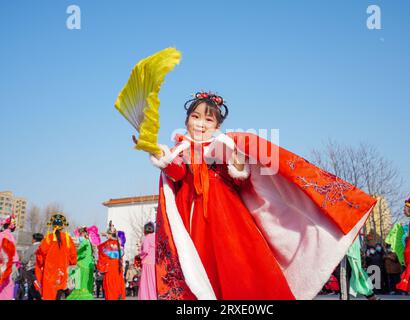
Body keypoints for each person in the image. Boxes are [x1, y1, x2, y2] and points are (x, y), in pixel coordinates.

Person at [144, 91, 377, 300]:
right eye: (196, 117)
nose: (201, 123)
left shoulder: (225, 144)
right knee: (198, 270)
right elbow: (177, 171)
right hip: (193, 221)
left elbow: (239, 177)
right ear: (187, 120)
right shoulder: (181, 150)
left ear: (216, 125)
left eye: (208, 119)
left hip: (228, 219)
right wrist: (160, 155)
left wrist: (236, 161)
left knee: (238, 268)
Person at [35, 213, 77, 300]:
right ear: (62, 226)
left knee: (49, 295)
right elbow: (73, 257)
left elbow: (40, 255)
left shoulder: (48, 238)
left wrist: (41, 264)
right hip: (62, 271)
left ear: (53, 226)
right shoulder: (68, 238)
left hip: (49, 272)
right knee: (60, 293)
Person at [66, 226, 98, 300]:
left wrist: (74, 256)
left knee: (80, 284)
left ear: (82, 233)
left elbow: (81, 253)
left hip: (82, 265)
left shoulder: (84, 241)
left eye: (79, 233)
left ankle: (82, 296)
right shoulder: (89, 241)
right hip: (88, 265)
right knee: (86, 283)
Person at [96, 221, 126, 300]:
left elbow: (101, 251)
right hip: (118, 268)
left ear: (109, 234)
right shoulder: (119, 244)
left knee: (110, 287)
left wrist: (100, 267)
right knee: (118, 286)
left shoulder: (107, 244)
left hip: (110, 267)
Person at [0, 214, 19, 300]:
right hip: (7, 266)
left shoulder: (2, 235)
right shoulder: (9, 236)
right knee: (7, 289)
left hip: (4, 265)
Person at [21, 233, 44, 300]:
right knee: (38, 286)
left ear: (34, 239)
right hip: (42, 270)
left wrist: (21, 262)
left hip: (32, 269)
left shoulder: (32, 247)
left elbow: (25, 260)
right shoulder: (44, 247)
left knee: (32, 286)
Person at [138, 221, 157, 300]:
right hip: (154, 262)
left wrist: (140, 255)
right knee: (153, 281)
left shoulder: (146, 238)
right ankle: (154, 297)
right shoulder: (156, 237)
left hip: (147, 262)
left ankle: (146, 297)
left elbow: (145, 250)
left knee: (145, 282)